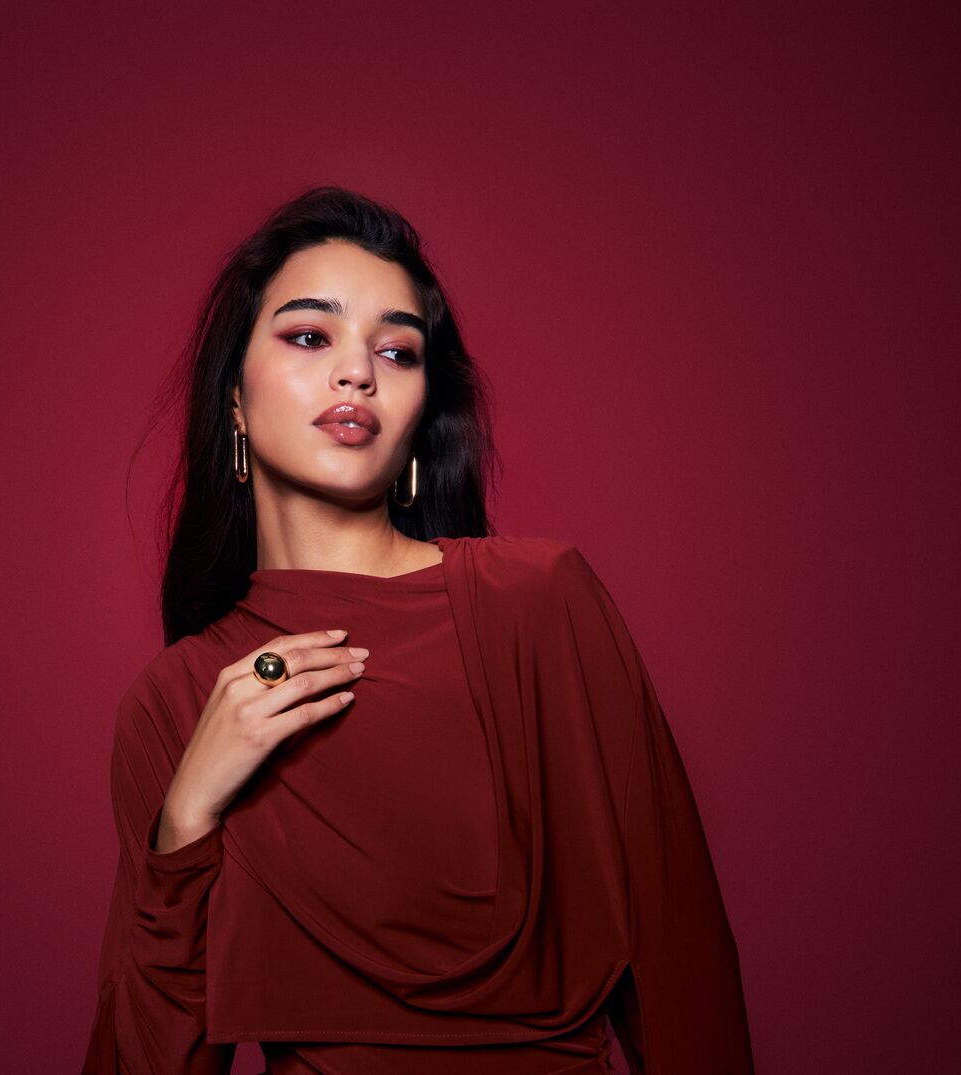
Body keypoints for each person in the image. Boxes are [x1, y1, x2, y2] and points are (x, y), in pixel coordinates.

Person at [81, 186, 755, 1074]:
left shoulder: (537, 605)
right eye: (310, 336)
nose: (357, 373)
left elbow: (683, 965)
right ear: (234, 400)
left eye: (396, 350)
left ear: (418, 415)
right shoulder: (177, 704)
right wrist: (186, 817)